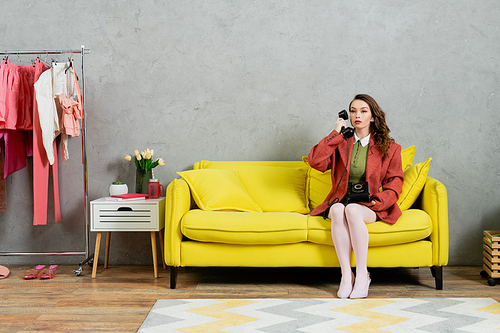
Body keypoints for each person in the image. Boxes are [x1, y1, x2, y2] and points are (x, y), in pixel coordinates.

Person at [308, 94, 404, 299]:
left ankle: (362, 275)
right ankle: (346, 275)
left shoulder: (391, 148)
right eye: (353, 111)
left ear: (373, 116)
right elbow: (315, 162)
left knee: (352, 209)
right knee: (337, 208)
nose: (357, 115)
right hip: (342, 200)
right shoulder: (340, 142)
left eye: (363, 111)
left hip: (370, 205)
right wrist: (336, 134)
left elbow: (395, 183)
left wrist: (376, 201)